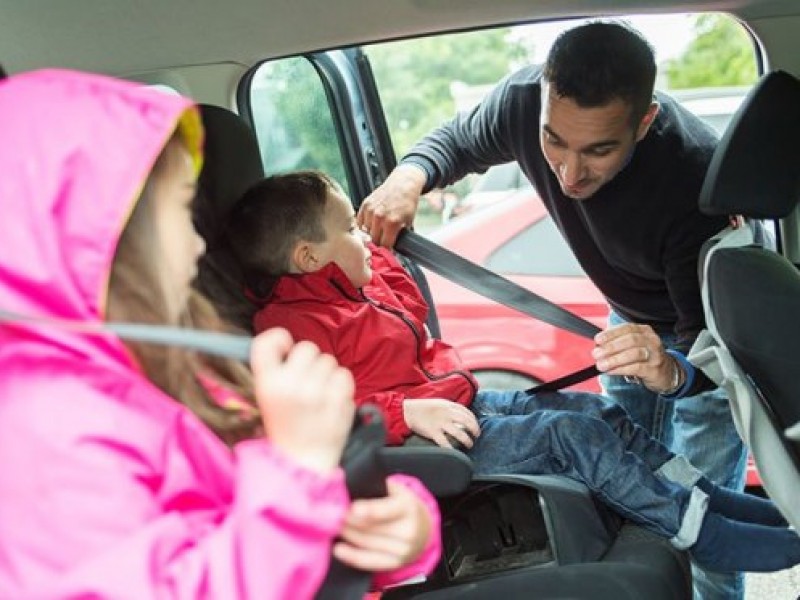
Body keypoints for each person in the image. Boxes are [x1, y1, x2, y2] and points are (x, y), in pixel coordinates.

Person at [221, 169, 800, 578]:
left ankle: (706, 496)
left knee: (599, 410)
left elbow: (409, 310)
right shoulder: (292, 327)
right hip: (426, 440)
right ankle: (704, 533)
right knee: (567, 436)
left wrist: (375, 254)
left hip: (463, 402)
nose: (362, 236)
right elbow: (309, 413)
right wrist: (403, 412)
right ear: (307, 257)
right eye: (348, 227)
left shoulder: (355, 285)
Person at [0, 69, 441, 599]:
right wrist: (297, 472)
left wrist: (399, 523)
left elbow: (263, 509)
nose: (196, 245)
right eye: (183, 212)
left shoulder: (170, 368)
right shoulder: (45, 435)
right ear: (101, 236)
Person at [356, 20, 755, 599]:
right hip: (623, 326)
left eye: (599, 150)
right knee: (627, 498)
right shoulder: (522, 103)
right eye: (554, 142)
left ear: (644, 123)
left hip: (700, 341)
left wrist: (672, 371)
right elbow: (454, 143)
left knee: (698, 524)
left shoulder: (693, 177)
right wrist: (407, 178)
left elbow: (704, 354)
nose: (568, 173)